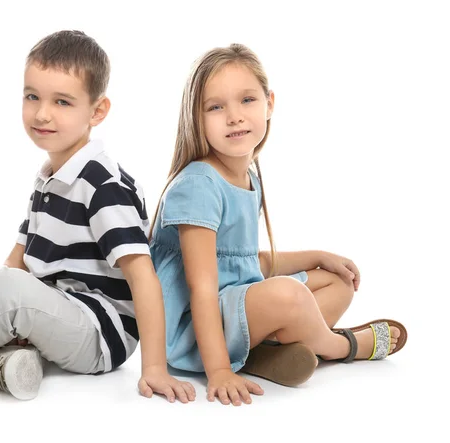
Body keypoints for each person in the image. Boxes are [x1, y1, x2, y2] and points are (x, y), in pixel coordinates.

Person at [0, 30, 195, 403]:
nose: (42, 113)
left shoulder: (101, 184)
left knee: (10, 292)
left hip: (96, 334)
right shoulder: (49, 179)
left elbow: (144, 278)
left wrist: (154, 367)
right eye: (32, 97)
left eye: (62, 101)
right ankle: (2, 358)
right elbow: (16, 262)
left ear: (97, 111)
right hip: (46, 309)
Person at [148, 43, 407, 406]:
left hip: (231, 304)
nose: (234, 116)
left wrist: (317, 256)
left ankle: (264, 353)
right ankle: (339, 346)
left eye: (247, 100)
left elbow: (242, 261)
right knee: (290, 296)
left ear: (270, 103)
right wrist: (219, 371)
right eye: (216, 107)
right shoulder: (198, 185)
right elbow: (202, 286)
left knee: (339, 281)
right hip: (193, 326)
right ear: (196, 117)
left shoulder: (247, 175)